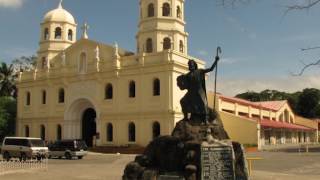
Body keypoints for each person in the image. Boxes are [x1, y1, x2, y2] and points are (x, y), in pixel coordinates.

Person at [177, 56, 219, 124]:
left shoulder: (200, 71)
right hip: (191, 92)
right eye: (189, 65)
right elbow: (185, 85)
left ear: (194, 65)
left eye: (191, 65)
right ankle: (186, 117)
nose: (190, 66)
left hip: (199, 91)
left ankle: (206, 119)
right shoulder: (187, 75)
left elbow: (211, 69)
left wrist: (216, 61)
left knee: (203, 103)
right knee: (182, 101)